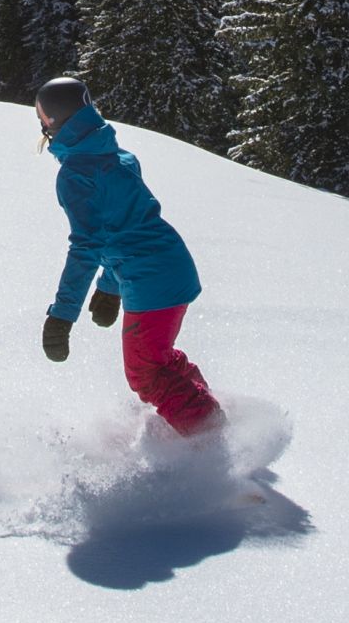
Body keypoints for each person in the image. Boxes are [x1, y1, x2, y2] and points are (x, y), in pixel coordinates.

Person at [34, 75, 223, 438]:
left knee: (146, 374)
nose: (39, 123)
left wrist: (62, 315)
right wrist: (110, 287)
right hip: (171, 264)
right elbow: (122, 226)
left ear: (57, 120)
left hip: (149, 279)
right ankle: (204, 413)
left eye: (42, 116)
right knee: (159, 358)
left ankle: (213, 443)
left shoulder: (75, 175)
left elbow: (87, 245)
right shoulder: (119, 156)